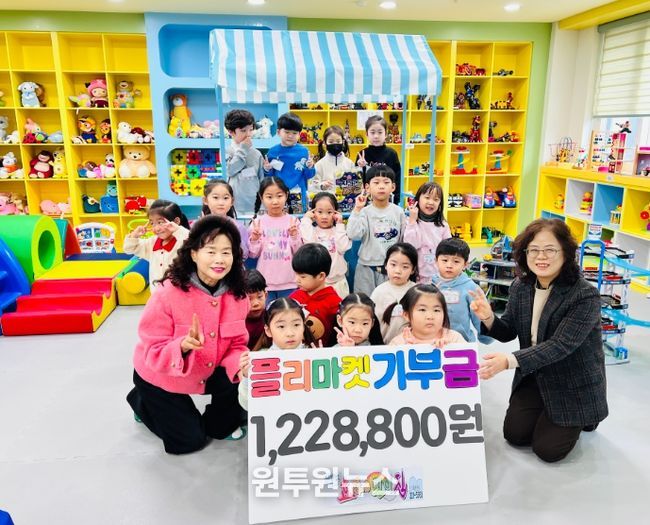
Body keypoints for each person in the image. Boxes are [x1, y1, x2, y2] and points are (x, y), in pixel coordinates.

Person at [469, 218, 608, 463]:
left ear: (566, 253)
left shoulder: (584, 294)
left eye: (550, 250)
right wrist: (489, 317)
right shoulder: (521, 286)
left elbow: (561, 345)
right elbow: (508, 330)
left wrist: (508, 361)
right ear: (524, 254)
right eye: (533, 250)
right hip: (536, 373)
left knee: (548, 450)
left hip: (571, 380)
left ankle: (585, 417)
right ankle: (548, 411)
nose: (541, 257)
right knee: (515, 435)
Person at [126, 215, 250, 454]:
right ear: (193, 254)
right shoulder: (166, 293)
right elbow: (152, 349)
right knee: (189, 441)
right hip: (160, 373)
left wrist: (241, 364)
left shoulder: (238, 295)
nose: (219, 259)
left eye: (226, 252)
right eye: (211, 251)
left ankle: (215, 419)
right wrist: (181, 347)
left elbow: (236, 344)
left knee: (222, 424)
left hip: (209, 368)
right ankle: (140, 400)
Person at [238, 297, 317, 409]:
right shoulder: (259, 361)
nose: (290, 333)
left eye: (296, 325)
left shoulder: (313, 354)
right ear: (268, 330)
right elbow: (247, 405)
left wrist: (321, 367)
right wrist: (247, 377)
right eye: (281, 326)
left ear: (304, 326)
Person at [347, 164, 406, 297]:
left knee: (389, 304)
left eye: (386, 182)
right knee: (364, 304)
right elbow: (352, 234)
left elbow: (403, 240)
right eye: (376, 182)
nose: (381, 186)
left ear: (393, 187)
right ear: (367, 187)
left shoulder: (398, 212)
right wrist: (357, 209)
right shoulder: (364, 212)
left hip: (391, 268)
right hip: (366, 268)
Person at [248, 177, 302, 301]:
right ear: (261, 197)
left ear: (286, 195)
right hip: (265, 283)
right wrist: (255, 239)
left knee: (288, 312)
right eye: (269, 197)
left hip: (290, 282)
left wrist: (294, 236)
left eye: (279, 196)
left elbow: (298, 252)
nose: (275, 201)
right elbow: (253, 254)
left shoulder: (293, 221)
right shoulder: (257, 223)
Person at [432, 237, 490, 343]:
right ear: (436, 261)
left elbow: (479, 315)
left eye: (456, 261)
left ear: (465, 264)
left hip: (461, 343)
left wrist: (486, 338)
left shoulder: (470, 288)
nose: (449, 265)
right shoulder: (430, 286)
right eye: (444, 260)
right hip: (433, 343)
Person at [123, 199, 190, 290]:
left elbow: (193, 242)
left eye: (160, 222)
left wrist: (178, 230)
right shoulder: (152, 243)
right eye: (152, 223)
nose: (156, 228)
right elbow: (129, 249)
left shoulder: (182, 241)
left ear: (176, 221)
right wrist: (134, 235)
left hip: (180, 294)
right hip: (157, 294)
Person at [299, 192, 352, 298]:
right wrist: (306, 219)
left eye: (329, 212)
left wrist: (340, 224)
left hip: (339, 283)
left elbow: (343, 247)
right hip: (319, 285)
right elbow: (309, 244)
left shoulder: (339, 231)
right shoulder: (312, 232)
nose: (324, 216)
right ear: (313, 213)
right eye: (319, 212)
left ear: (336, 213)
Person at [289, 243, 342, 345]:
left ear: (321, 276)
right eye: (296, 274)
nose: (297, 280)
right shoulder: (293, 298)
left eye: (303, 277)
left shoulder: (335, 303)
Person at [263, 112, 315, 209]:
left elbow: (309, 175)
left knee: (299, 218)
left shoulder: (304, 151)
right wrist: (267, 169)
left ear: (299, 134)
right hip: (278, 195)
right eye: (287, 132)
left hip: (300, 195)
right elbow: (269, 178)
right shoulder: (272, 152)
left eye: (294, 133)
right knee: (279, 217)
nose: (290, 136)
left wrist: (310, 167)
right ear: (278, 132)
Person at [370, 243, 418, 344]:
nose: (398, 271)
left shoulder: (417, 291)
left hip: (411, 346)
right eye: (393, 265)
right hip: (384, 347)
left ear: (413, 270)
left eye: (405, 267)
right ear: (385, 265)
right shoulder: (379, 292)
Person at [404, 181, 451, 283]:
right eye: (427, 197)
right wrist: (412, 221)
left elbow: (448, 250)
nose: (431, 202)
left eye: (436, 199)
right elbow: (410, 246)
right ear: (417, 200)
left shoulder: (443, 225)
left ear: (440, 204)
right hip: (415, 276)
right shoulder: (410, 221)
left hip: (437, 276)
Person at [388, 284, 465, 346]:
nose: (430, 317)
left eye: (436, 310)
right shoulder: (398, 344)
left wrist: (449, 349)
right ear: (406, 315)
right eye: (422, 310)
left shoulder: (454, 339)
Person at [224, 109, 264, 215]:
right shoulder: (226, 151)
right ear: (231, 132)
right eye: (243, 131)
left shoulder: (257, 154)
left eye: (250, 130)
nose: (248, 134)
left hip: (255, 206)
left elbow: (262, 180)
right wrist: (243, 149)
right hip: (233, 206)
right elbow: (230, 170)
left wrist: (263, 206)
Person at [356, 115, 401, 204]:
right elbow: (357, 181)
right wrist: (361, 167)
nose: (376, 136)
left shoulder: (392, 154)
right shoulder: (362, 154)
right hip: (367, 201)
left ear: (386, 134)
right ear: (367, 134)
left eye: (380, 132)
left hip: (388, 200)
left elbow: (397, 178)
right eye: (372, 132)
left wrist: (396, 199)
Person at [202, 179, 249, 260]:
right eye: (215, 197)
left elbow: (245, 255)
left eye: (225, 198)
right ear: (205, 200)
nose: (221, 203)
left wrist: (234, 235)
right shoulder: (198, 226)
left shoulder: (238, 227)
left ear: (232, 201)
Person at [310, 125, 355, 194]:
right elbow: (312, 185)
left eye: (338, 141)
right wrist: (321, 186)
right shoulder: (319, 165)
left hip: (346, 199)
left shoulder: (349, 163)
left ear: (343, 142)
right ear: (324, 143)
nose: (335, 144)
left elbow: (355, 183)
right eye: (331, 142)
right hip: (326, 199)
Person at [244, 269, 268, 351]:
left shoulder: (271, 318)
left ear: (266, 295)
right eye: (249, 298)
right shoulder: (236, 321)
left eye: (259, 297)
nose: (255, 303)